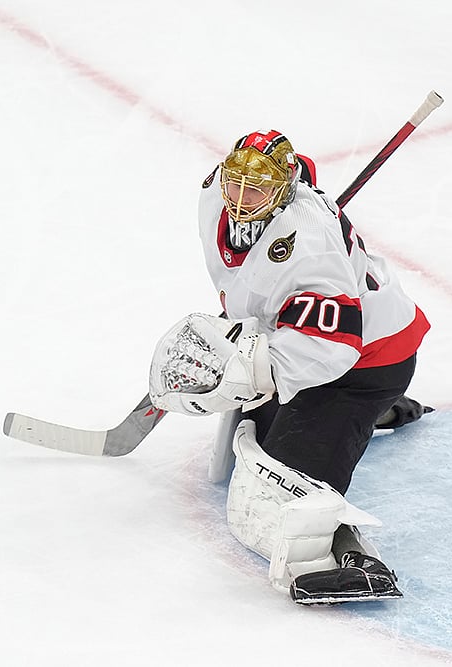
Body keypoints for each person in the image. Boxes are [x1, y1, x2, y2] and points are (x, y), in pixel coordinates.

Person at [147, 130, 431, 604]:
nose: (239, 198)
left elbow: (333, 349)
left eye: (255, 189)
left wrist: (247, 374)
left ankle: (355, 561)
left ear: (283, 189)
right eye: (235, 184)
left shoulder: (310, 243)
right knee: (253, 432)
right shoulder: (213, 192)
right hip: (304, 342)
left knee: (272, 501)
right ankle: (360, 420)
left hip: (364, 364)